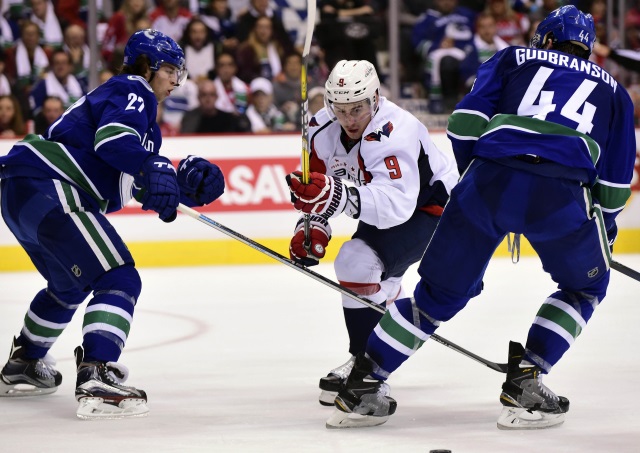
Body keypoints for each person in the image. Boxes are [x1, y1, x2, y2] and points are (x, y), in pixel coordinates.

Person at [322, 6, 636, 430]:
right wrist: (603, 232)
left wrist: (480, 180)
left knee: (435, 296)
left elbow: (465, 123)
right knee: (587, 286)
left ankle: (363, 384)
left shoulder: (512, 57)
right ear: (588, 48)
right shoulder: (616, 91)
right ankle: (527, 377)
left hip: (487, 180)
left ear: (543, 38)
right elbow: (615, 189)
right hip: (563, 193)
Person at [0, 29, 226, 420]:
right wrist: (152, 165)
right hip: (52, 184)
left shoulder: (140, 119)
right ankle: (96, 374)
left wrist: (177, 186)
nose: (176, 80)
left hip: (23, 189)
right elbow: (113, 142)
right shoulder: (132, 88)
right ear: (147, 65)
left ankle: (24, 363)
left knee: (68, 285)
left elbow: (129, 174)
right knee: (119, 278)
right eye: (171, 70)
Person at [284, 60, 459, 408]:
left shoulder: (397, 130)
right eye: (340, 109)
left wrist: (334, 196)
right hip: (383, 205)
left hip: (431, 209)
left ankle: (369, 367)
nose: (348, 119)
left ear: (376, 98)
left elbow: (396, 206)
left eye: (357, 109)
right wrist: (312, 228)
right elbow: (315, 190)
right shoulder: (320, 129)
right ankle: (372, 345)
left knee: (356, 262)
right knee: (361, 267)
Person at [181, 78, 250, 133]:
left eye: (212, 95)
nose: (208, 99)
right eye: (204, 95)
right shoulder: (190, 118)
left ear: (217, 97)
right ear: (198, 97)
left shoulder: (228, 119)